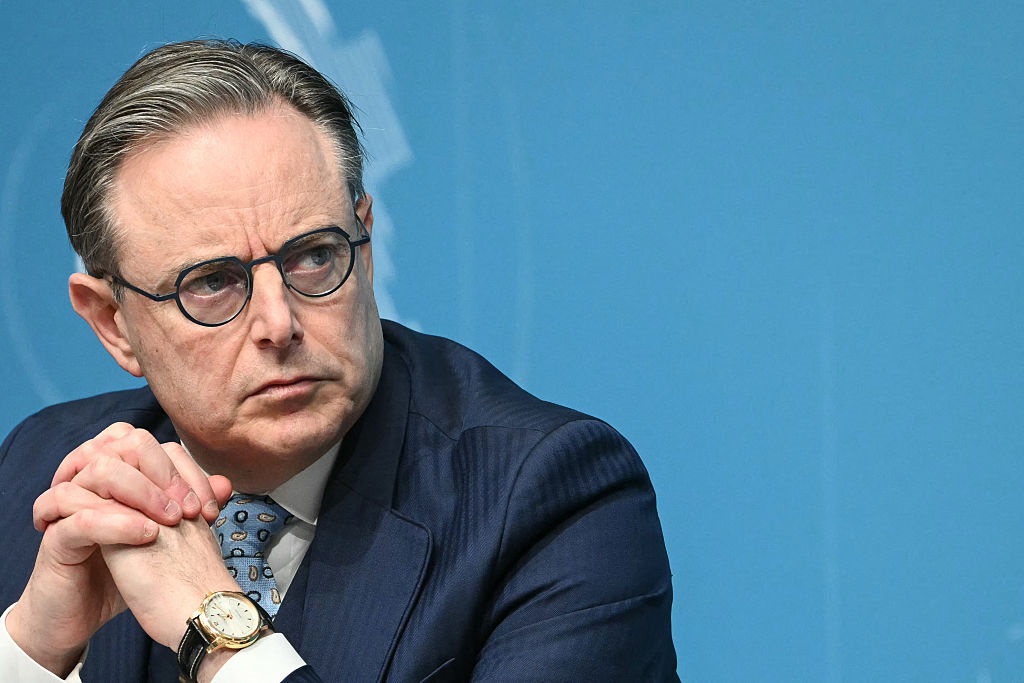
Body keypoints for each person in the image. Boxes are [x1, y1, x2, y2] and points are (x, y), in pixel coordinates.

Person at [0, 39, 678, 682]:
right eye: (212, 282)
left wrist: (217, 628)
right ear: (112, 322)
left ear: (366, 246)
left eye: (314, 256)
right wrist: (33, 649)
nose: (279, 323)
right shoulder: (45, 475)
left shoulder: (549, 501)